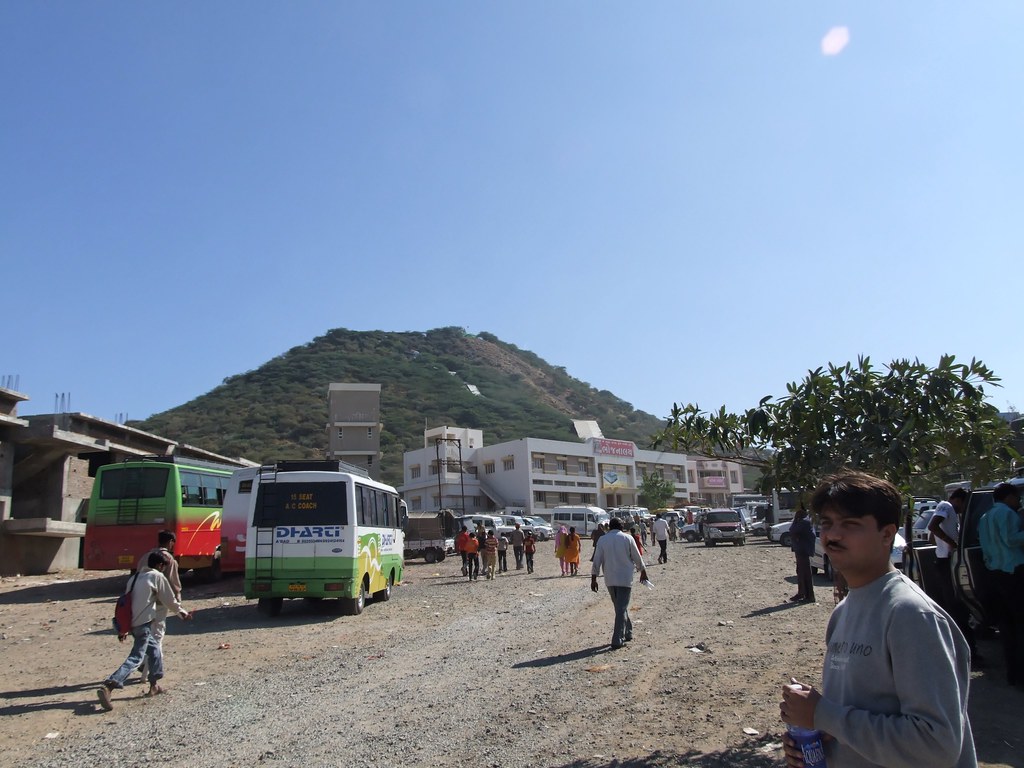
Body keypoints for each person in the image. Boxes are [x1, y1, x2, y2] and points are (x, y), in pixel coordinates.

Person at [779, 470, 976, 768]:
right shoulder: (844, 611)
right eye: (827, 523)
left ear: (887, 534)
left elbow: (936, 745)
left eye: (850, 524)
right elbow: (853, 717)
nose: (832, 535)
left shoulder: (910, 615)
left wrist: (823, 714)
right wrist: (816, 733)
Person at [97, 552, 192, 710]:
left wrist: (124, 630)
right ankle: (109, 685)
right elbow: (169, 599)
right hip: (143, 624)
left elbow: (126, 603)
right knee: (136, 657)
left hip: (132, 623)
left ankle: (154, 684)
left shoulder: (134, 578)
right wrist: (182, 613)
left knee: (154, 651)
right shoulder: (156, 576)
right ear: (160, 566)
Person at [978, 482, 1024, 687]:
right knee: (1020, 625)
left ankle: (1012, 674)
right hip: (1013, 571)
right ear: (1009, 497)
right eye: (1017, 497)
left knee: (1006, 627)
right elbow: (1012, 540)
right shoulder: (1007, 514)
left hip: (995, 575)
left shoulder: (984, 517)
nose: (1019, 501)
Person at [926, 488, 978, 658]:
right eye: (963, 504)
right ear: (958, 500)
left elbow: (932, 536)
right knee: (956, 606)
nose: (963, 509)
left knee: (955, 604)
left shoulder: (949, 514)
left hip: (946, 560)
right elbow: (932, 526)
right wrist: (952, 544)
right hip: (945, 561)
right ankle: (964, 649)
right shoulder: (946, 506)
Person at [591, 517, 648, 650]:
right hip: (625, 578)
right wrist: (643, 571)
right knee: (621, 608)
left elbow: (596, 560)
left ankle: (628, 632)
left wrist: (593, 578)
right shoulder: (628, 538)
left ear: (610, 527)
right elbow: (636, 557)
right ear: (621, 526)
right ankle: (617, 639)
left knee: (620, 607)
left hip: (609, 579)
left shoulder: (603, 540)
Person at [788, 509, 815, 603]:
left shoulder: (804, 523)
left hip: (803, 551)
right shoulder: (803, 522)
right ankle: (802, 593)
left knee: (805, 574)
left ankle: (809, 595)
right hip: (801, 550)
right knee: (801, 572)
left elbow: (792, 530)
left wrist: (795, 520)